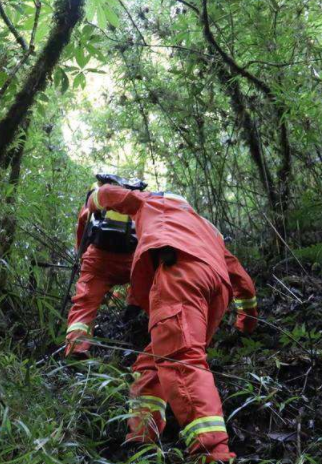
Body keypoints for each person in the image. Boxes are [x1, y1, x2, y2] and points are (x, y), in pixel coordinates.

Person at [86, 186, 258, 463]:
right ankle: (141, 439)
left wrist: (89, 206)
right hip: (215, 293)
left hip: (180, 275)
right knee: (152, 363)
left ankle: (212, 453)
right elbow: (243, 282)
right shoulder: (207, 229)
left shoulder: (153, 203)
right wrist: (246, 324)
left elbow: (110, 193)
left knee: (181, 360)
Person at [65, 188, 141, 359]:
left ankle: (76, 348)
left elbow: (83, 231)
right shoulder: (138, 201)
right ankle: (132, 320)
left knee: (85, 303)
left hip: (98, 262)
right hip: (132, 261)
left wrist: (83, 260)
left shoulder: (96, 197)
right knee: (142, 283)